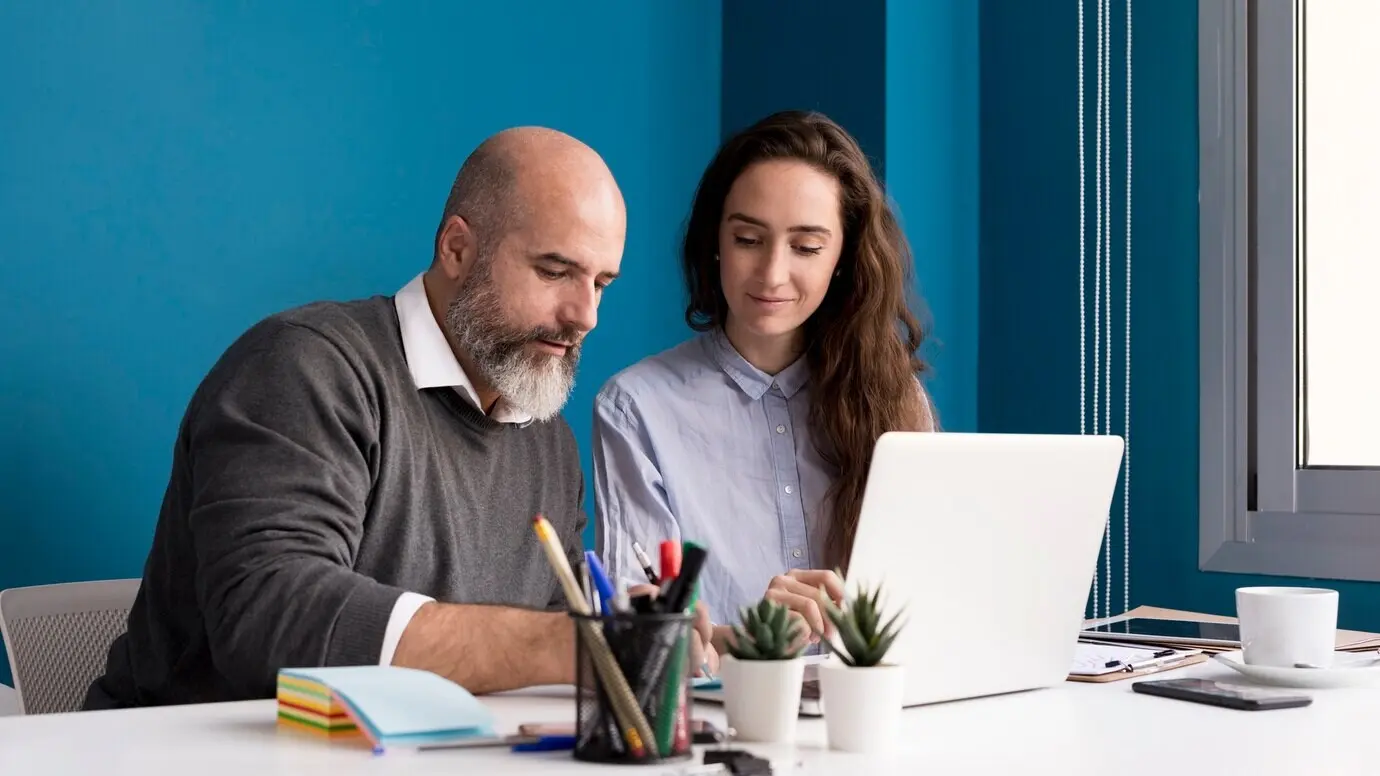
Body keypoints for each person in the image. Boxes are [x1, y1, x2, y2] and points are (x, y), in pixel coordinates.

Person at [84, 126, 715, 709]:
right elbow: (267, 617)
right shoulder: (304, 366)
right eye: (555, 271)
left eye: (601, 283)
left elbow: (557, 623)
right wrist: (567, 645)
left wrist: (632, 625)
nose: (586, 316)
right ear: (458, 248)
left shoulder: (546, 438)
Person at [592, 110, 937, 651]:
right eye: (749, 239)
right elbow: (639, 639)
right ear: (716, 243)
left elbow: (932, 598)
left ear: (843, 258)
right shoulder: (636, 407)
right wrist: (756, 639)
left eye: (806, 247)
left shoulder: (893, 398)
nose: (773, 274)